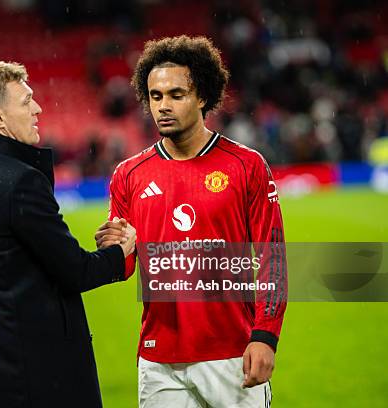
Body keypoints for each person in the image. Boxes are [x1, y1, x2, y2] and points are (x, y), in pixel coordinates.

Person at [0, 62, 136, 408]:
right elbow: (74, 271)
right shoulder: (20, 182)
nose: (37, 108)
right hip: (35, 380)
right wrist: (119, 252)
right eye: (26, 101)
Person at [95, 35, 287, 407]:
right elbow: (125, 266)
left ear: (202, 97)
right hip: (159, 360)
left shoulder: (246, 165)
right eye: (155, 96)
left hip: (233, 354)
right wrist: (113, 249)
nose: (163, 106)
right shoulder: (128, 175)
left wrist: (265, 336)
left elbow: (272, 258)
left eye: (176, 94)